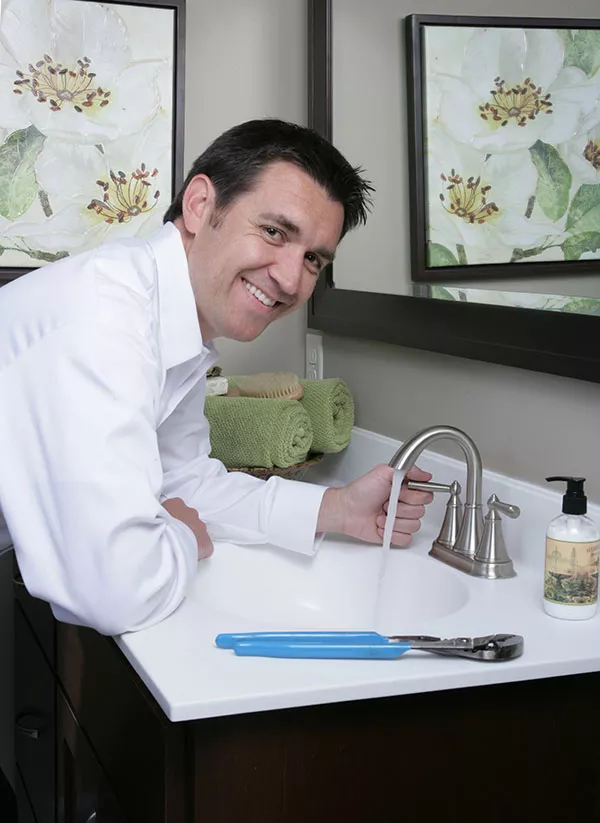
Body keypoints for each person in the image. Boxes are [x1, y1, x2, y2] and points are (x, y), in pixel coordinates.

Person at [0, 119, 432, 636]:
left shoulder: (167, 321)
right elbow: (115, 591)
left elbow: (184, 479)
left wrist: (336, 509)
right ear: (200, 205)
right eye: (274, 232)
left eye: (313, 258)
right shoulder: (104, 320)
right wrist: (182, 535)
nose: (292, 280)